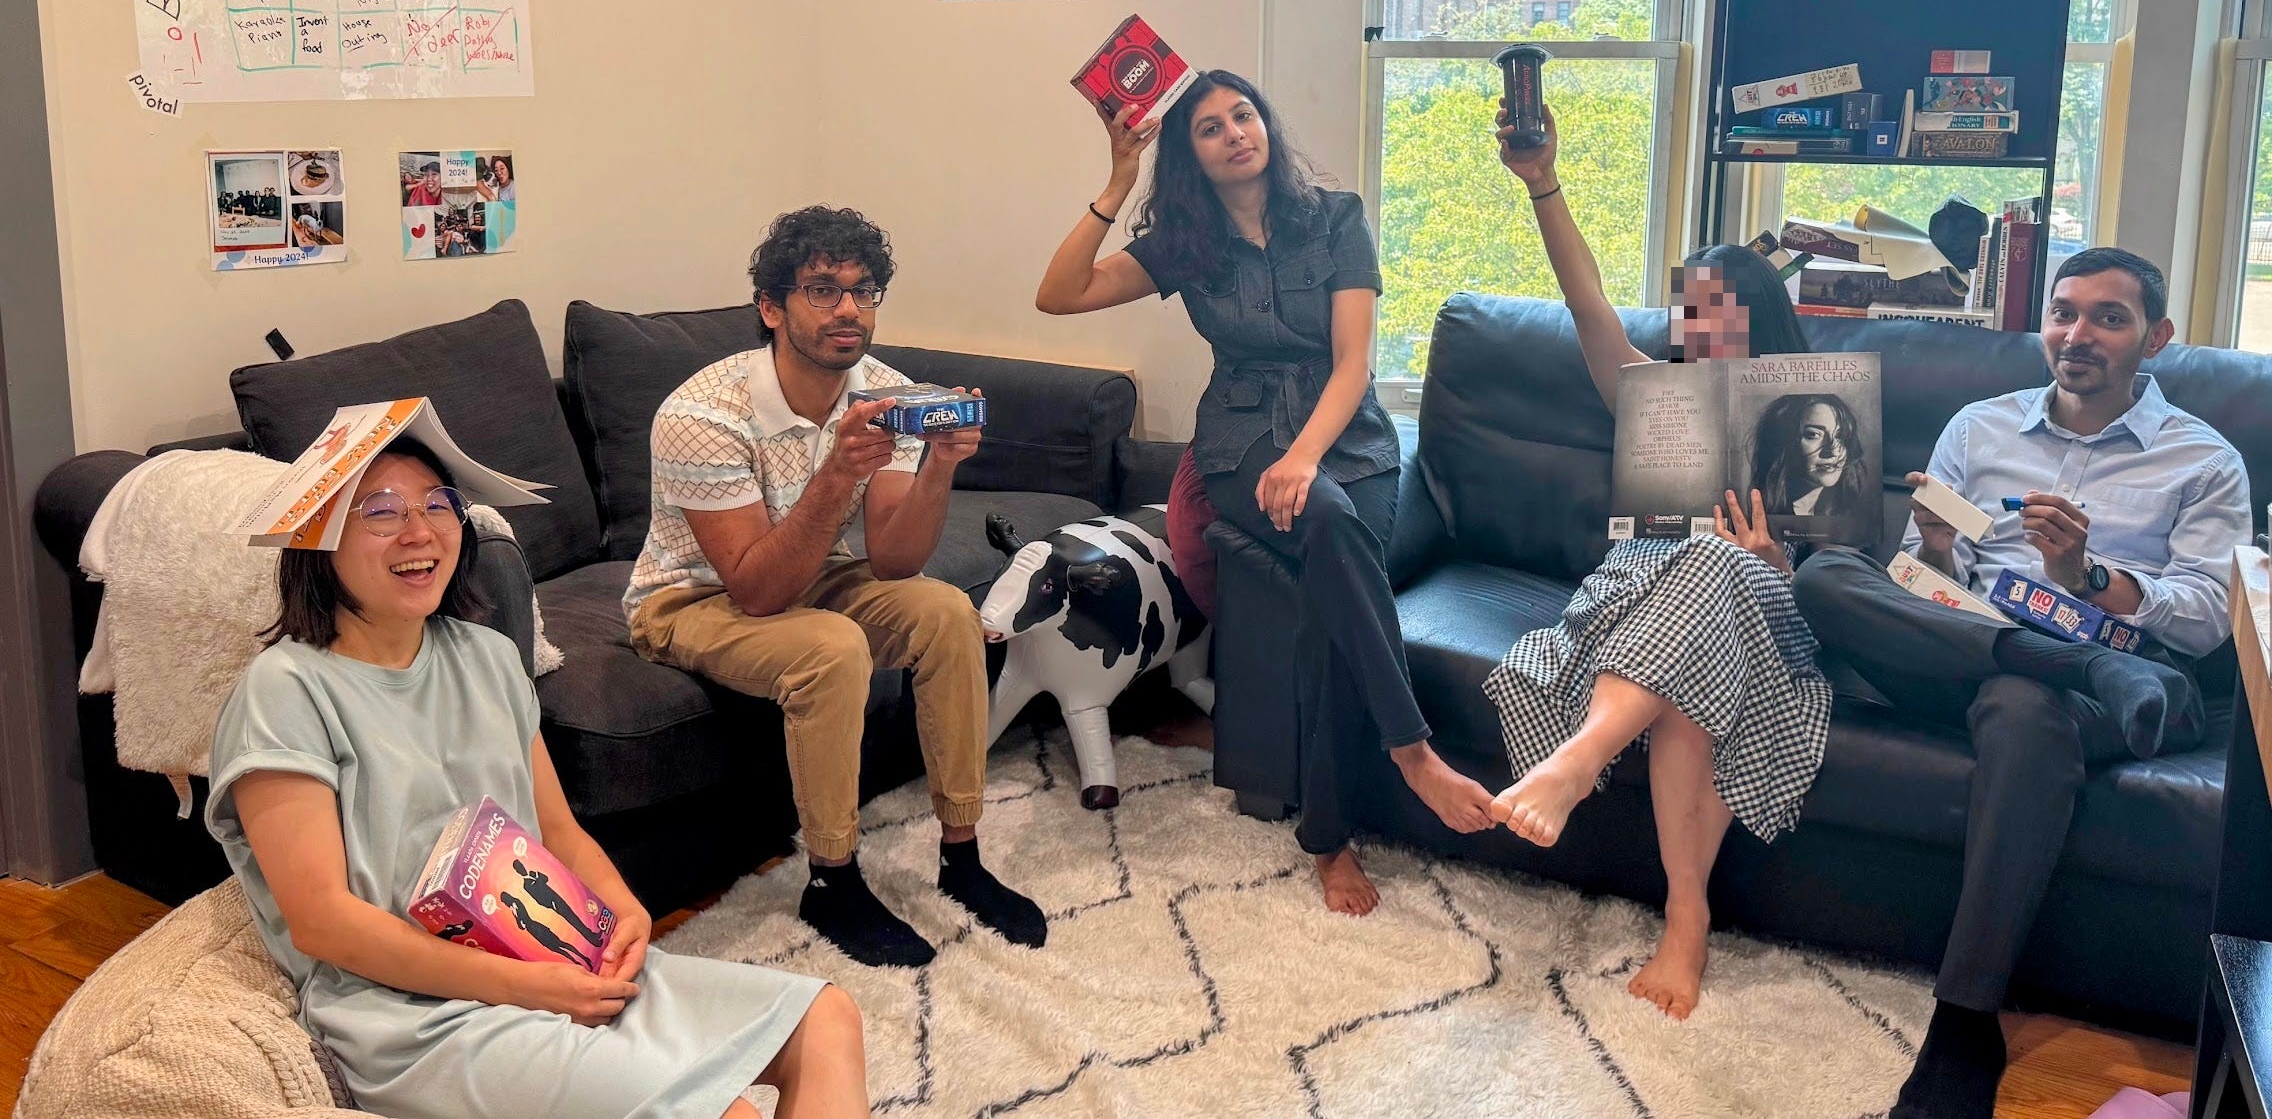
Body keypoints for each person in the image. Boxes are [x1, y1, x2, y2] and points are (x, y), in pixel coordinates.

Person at [208, 439, 868, 1119]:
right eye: (381, 511)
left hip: (547, 959)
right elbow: (322, 924)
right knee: (724, 1113)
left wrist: (625, 912)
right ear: (317, 537)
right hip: (415, 1014)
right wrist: (529, 989)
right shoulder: (285, 691)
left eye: (438, 505)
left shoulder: (489, 657)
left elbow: (558, 832)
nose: (419, 531)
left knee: (826, 1018)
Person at [1793, 246, 2249, 1119]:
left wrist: (2087, 577)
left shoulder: (2204, 460)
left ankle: (1964, 1020)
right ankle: (2060, 660)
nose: (2078, 334)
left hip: (2135, 679)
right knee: (1825, 577)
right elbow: (1919, 585)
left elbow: (2205, 617)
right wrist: (1933, 547)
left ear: (2155, 337)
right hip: (1972, 641)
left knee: (2020, 704)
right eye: (2063, 313)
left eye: (2108, 318)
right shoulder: (1979, 427)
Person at [1035, 70, 1498, 918]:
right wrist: (1117, 181)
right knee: (1329, 527)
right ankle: (1413, 752)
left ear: (1267, 124)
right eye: (1210, 128)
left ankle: (1328, 836)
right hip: (1241, 443)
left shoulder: (1336, 218)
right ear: (1192, 156)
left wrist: (1307, 457)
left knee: (1331, 578)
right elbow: (1059, 295)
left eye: (1243, 114)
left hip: (1347, 440)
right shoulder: (1184, 243)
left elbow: (1353, 362)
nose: (1235, 133)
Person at [1482, 105, 1833, 1021]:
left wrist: (1773, 560)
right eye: (1691, 314)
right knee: (1690, 664)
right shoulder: (1653, 393)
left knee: (1720, 565)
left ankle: (1575, 763)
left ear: (1761, 324)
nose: (1700, 329)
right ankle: (1688, 917)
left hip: (1761, 609)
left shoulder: (1815, 420)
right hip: (1637, 597)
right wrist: (1542, 184)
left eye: (1723, 315)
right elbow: (1587, 305)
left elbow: (1835, 587)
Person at [625, 205, 1043, 969]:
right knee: (832, 646)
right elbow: (755, 591)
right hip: (692, 597)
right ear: (771, 307)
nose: (849, 309)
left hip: (816, 572)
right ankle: (832, 881)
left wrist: (941, 465)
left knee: (948, 612)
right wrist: (838, 472)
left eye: (864, 290)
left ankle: (962, 853)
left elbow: (895, 559)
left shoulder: (886, 392)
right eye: (822, 290)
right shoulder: (701, 415)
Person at [1749, 392, 1871, 538]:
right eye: (1813, 435)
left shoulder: (1849, 516)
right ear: (1783, 444)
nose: (1833, 451)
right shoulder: (1763, 522)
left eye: (1840, 436)